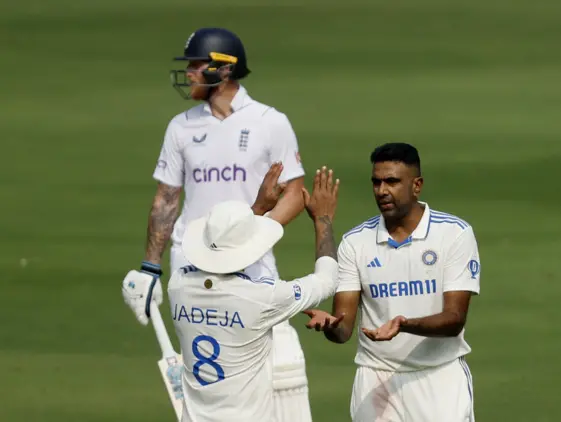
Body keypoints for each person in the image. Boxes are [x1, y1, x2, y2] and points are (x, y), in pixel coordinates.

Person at [122, 27, 313, 420]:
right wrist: (149, 268)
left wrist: (255, 232)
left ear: (224, 71)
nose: (189, 72)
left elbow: (296, 193)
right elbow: (166, 200)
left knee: (280, 366)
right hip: (191, 269)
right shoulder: (181, 127)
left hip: (252, 266)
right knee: (213, 381)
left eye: (196, 64)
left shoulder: (269, 122)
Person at [124, 165, 341, 422]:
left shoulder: (179, 286)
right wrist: (323, 219)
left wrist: (255, 212)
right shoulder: (262, 297)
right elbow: (327, 281)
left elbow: (219, 253)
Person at [304, 143, 481, 422]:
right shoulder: (355, 242)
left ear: (417, 185)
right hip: (375, 378)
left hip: (439, 378)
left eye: (392, 181)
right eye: (376, 182)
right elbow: (344, 329)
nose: (382, 191)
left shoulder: (454, 234)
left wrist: (404, 324)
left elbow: (455, 319)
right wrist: (330, 326)